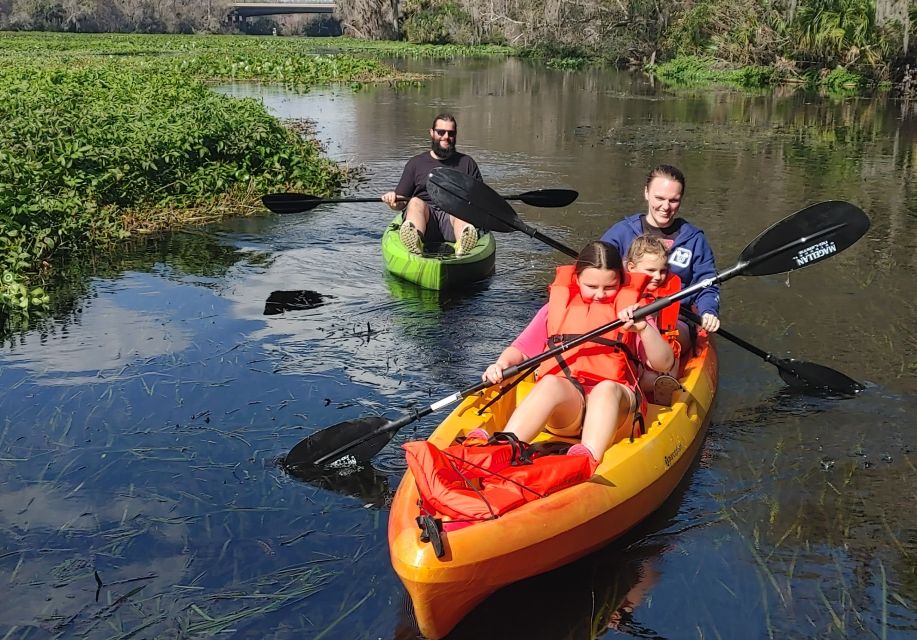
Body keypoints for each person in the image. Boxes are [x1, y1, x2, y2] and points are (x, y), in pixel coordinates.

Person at [474, 241, 674, 472]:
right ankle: (504, 447)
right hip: (568, 413)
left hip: (617, 411)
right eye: (591, 286)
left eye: (609, 287)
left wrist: (643, 329)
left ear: (620, 280)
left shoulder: (634, 312)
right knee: (550, 383)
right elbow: (520, 349)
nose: (600, 294)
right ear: (577, 280)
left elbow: (664, 363)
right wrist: (500, 364)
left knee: (605, 389)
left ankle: (586, 459)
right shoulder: (555, 309)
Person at [600, 164, 721, 337]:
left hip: (676, 318)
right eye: (659, 198)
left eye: (673, 200)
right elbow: (596, 271)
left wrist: (709, 310)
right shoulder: (621, 232)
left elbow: (707, 284)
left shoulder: (694, 239)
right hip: (625, 313)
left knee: (660, 342)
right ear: (646, 193)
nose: (666, 206)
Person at [382, 114, 481, 256]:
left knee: (460, 205)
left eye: (451, 133)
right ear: (432, 133)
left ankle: (463, 244)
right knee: (415, 201)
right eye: (441, 132)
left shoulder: (467, 163)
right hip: (425, 223)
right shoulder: (415, 163)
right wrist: (392, 200)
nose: (446, 137)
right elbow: (400, 203)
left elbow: (480, 201)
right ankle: (415, 240)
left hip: (453, 223)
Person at [624, 234, 683, 405]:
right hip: (633, 352)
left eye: (663, 270)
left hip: (660, 349)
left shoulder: (667, 290)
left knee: (672, 360)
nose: (658, 276)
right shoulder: (619, 290)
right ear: (631, 267)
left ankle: (663, 384)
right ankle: (644, 383)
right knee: (645, 375)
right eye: (651, 271)